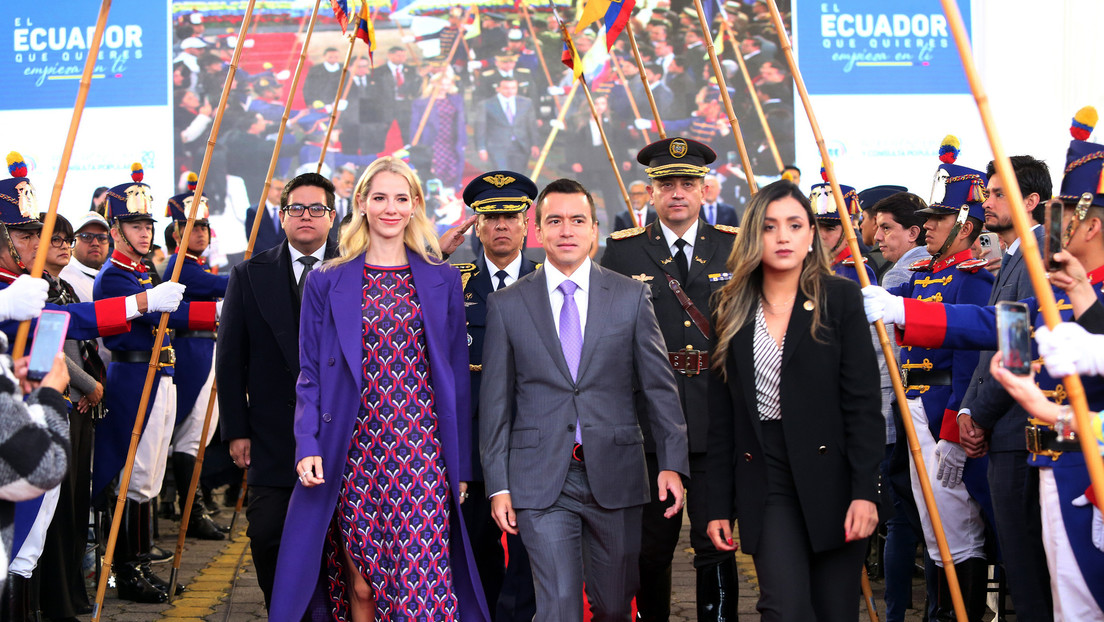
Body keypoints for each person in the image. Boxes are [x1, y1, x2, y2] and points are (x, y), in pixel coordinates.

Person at [865, 118, 1104, 618]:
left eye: (1068, 217)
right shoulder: (1056, 280)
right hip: (1043, 453)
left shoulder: (1054, 274)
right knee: (1045, 591)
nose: (1057, 228)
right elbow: (1007, 335)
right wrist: (906, 312)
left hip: (1071, 459)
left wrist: (972, 411)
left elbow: (998, 331)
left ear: (1092, 224)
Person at [270, 157, 488, 621]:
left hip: (421, 452)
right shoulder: (326, 280)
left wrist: (461, 464)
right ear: (362, 204)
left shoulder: (442, 279)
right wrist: (307, 442)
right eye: (380, 197)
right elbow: (309, 372)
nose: (391, 208)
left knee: (423, 577)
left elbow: (455, 378)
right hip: (351, 449)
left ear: (415, 207)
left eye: (401, 199)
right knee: (362, 585)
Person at [480, 177, 689, 622]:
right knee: (558, 607)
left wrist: (671, 461)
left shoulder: (631, 296)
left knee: (614, 607)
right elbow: (496, 404)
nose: (567, 230)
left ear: (594, 230)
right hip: (539, 478)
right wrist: (498, 484)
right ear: (538, 230)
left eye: (578, 220)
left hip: (616, 472)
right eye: (555, 221)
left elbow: (659, 386)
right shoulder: (507, 304)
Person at [703, 180, 881, 621]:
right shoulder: (728, 307)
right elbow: (722, 418)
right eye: (769, 226)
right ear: (752, 235)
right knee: (783, 608)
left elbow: (862, 404)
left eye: (795, 225)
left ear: (810, 235)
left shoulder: (838, 298)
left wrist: (865, 492)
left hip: (834, 478)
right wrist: (716, 506)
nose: (783, 237)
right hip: (766, 474)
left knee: (834, 611)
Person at [600, 138, 739, 622]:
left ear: (705, 189)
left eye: (687, 184)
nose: (677, 193)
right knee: (649, 550)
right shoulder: (622, 253)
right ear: (649, 192)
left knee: (716, 542)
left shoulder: (735, 246)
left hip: (716, 415)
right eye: (666, 184)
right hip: (649, 426)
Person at [861, 142, 996, 621]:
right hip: (914, 403)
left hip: (943, 414)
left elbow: (971, 356)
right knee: (933, 523)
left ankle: (956, 614)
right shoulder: (923, 272)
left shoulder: (973, 278)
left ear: (966, 223)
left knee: (956, 524)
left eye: (939, 217)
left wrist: (956, 427)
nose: (929, 226)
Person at [92, 162, 216, 604]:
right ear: (116, 228)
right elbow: (121, 328)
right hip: (133, 373)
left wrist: (210, 313)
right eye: (134, 225)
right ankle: (127, 571)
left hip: (160, 371)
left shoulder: (142, 273)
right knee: (136, 474)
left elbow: (173, 313)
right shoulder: (115, 276)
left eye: (147, 225)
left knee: (152, 473)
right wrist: (206, 312)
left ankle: (141, 562)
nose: (145, 233)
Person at [217, 171, 339, 610]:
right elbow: (231, 360)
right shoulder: (249, 274)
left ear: (332, 216)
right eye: (296, 209)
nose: (306, 217)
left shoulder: (355, 269)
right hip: (272, 437)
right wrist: (236, 429)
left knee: (337, 543)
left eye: (317, 209)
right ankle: (283, 611)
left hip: (340, 432)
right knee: (268, 534)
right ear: (281, 216)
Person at [955, 154, 1054, 621]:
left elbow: (1015, 347)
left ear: (1031, 201)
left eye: (997, 194)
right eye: (988, 192)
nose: (986, 202)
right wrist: (970, 412)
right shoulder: (1012, 258)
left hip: (1019, 429)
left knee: (1028, 569)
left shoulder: (1034, 258)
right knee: (1018, 563)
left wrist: (980, 414)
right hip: (1004, 427)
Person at [453, 172, 539, 622]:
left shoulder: (548, 279)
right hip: (473, 441)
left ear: (528, 223)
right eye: (490, 216)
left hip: (534, 439)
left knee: (532, 553)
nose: (501, 224)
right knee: (478, 550)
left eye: (511, 215)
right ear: (477, 225)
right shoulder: (452, 282)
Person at [163, 178, 230, 541]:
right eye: (192, 226)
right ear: (176, 232)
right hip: (193, 351)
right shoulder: (180, 266)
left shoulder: (196, 266)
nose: (201, 233)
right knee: (190, 435)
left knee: (199, 437)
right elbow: (222, 287)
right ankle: (192, 510)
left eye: (203, 226)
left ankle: (196, 503)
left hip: (207, 350)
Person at [473, 78, 540, 173]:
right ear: (498, 89)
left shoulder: (526, 103)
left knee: (518, 175)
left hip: (520, 146)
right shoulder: (486, 104)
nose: (510, 91)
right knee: (502, 176)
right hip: (497, 147)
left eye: (513, 88)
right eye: (506, 88)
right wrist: (481, 148)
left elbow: (532, 125)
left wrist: (535, 144)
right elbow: (480, 128)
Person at [244, 178, 288, 254]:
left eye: (284, 190)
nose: (281, 193)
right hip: (262, 259)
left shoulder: (288, 212)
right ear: (268, 190)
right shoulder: (254, 212)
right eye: (278, 189)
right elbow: (253, 240)